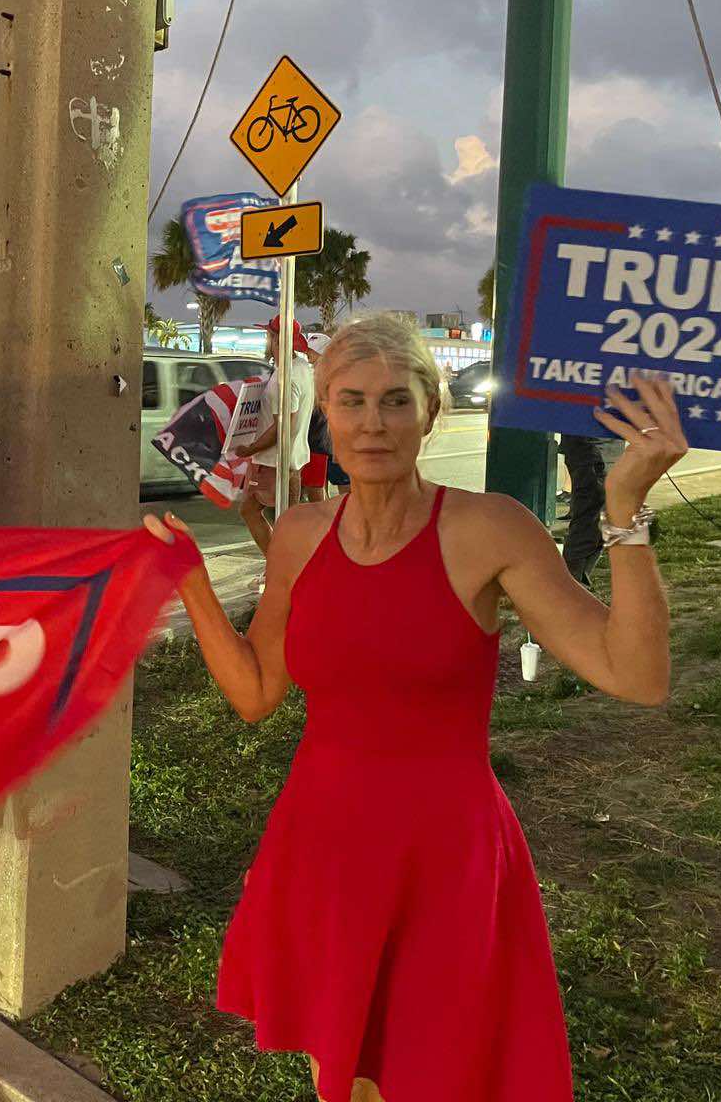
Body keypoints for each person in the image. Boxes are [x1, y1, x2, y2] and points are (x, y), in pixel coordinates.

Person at [144, 314, 686, 1102]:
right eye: (352, 400)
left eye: (397, 401)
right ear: (324, 411)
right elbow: (258, 692)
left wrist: (626, 511)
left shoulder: (490, 527)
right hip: (322, 841)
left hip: (443, 851)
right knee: (341, 1068)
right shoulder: (299, 533)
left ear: (431, 412)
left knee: (432, 1067)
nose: (373, 423)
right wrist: (193, 586)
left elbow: (636, 675)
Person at [235, 317, 315, 554]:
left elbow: (283, 427)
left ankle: (281, 568)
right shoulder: (300, 369)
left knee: (253, 512)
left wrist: (249, 450)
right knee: (287, 522)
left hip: (274, 462)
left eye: (267, 336)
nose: (266, 341)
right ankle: (283, 568)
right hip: (292, 460)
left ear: (277, 339)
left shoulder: (285, 378)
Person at [558, 433, 625, 587]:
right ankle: (570, 585)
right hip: (592, 447)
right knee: (591, 518)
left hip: (607, 444)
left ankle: (576, 583)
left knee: (602, 518)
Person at [300, 331, 334, 503]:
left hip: (316, 440)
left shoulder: (322, 376)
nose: (307, 353)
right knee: (316, 487)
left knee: (315, 489)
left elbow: (317, 406)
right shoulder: (318, 373)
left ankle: (327, 524)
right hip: (317, 439)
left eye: (312, 351)